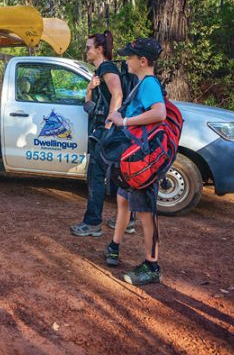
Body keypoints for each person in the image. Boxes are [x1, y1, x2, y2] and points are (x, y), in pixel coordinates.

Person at [105, 38, 165, 286]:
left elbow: (159, 113)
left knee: (145, 212)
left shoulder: (149, 83)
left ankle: (152, 266)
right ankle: (114, 244)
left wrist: (125, 121)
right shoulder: (141, 83)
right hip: (133, 158)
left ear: (142, 61)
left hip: (142, 161)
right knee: (123, 200)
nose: (126, 60)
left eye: (130, 57)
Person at [70, 31, 127, 237]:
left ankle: (92, 223)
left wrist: (108, 126)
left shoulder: (107, 69)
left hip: (105, 132)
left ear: (99, 49)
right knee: (116, 176)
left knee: (96, 177)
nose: (86, 50)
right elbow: (91, 104)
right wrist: (89, 89)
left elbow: (118, 94)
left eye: (88, 47)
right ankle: (127, 220)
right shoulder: (100, 71)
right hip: (105, 130)